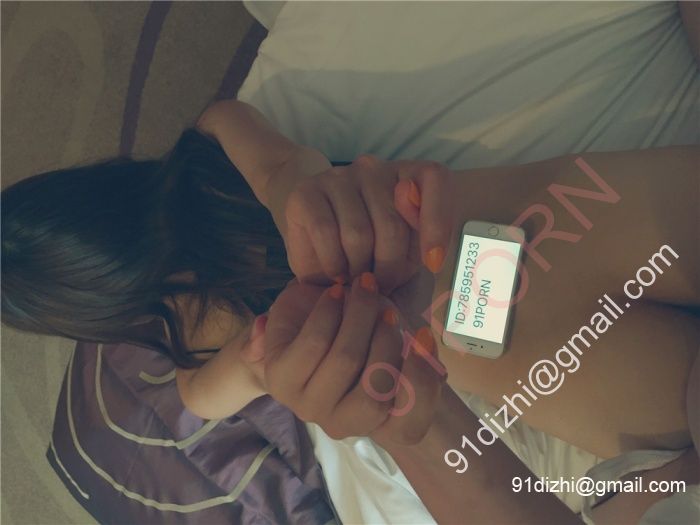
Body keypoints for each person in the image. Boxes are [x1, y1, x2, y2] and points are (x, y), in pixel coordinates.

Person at [2, 99, 698, 523]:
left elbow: (268, 158)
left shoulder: (206, 192)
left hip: (513, 310)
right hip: (523, 255)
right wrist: (269, 347)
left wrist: (295, 194)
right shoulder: (204, 177)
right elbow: (247, 142)